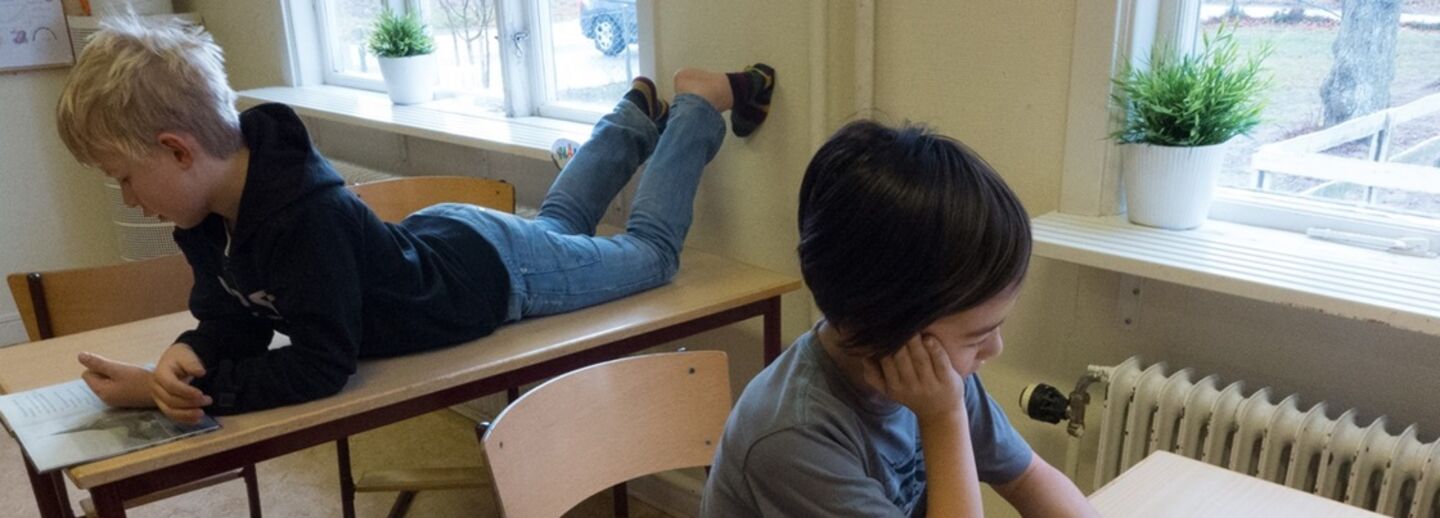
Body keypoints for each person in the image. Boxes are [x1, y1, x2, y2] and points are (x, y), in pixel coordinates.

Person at [55, 17, 776, 424]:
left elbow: (322, 363)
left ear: (177, 150)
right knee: (556, 226)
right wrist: (192, 351)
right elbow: (239, 314)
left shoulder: (302, 218)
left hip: (493, 277)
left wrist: (198, 390)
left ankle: (692, 104)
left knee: (649, 254)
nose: (128, 199)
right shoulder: (209, 214)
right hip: (457, 244)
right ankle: (629, 118)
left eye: (124, 178)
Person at [701, 121, 1095, 517]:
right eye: (977, 337)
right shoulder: (793, 436)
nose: (995, 349)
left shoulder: (937, 379)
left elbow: (1027, 478)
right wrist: (944, 420)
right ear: (886, 327)